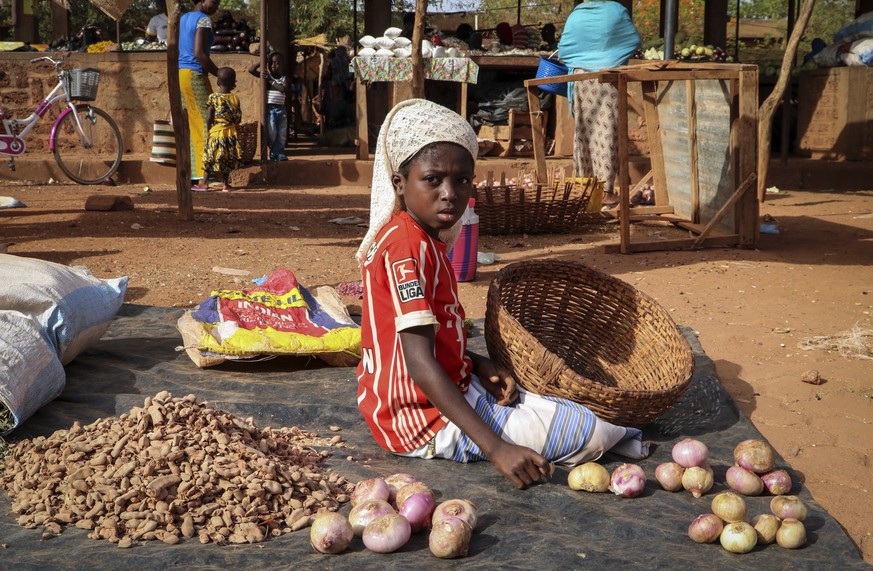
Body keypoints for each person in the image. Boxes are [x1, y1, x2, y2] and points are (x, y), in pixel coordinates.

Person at [355, 99, 649, 488]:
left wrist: (475, 363)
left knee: (564, 407)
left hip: (446, 385)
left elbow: (428, 340)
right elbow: (417, 361)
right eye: (432, 180)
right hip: (418, 419)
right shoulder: (406, 249)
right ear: (399, 183)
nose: (449, 193)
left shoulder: (420, 238)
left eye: (461, 180)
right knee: (589, 432)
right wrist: (497, 448)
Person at [557, 1, 640, 207]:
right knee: (606, 133)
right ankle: (606, 191)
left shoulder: (577, 14)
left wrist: (583, 59)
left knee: (583, 133)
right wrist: (611, 58)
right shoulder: (616, 11)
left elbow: (564, 50)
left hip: (579, 80)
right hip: (607, 79)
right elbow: (633, 40)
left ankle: (584, 188)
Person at [179, 0, 221, 186]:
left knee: (192, 124)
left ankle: (193, 172)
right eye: (215, 1)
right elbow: (199, 53)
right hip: (195, 74)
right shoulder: (203, 20)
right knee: (208, 121)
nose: (217, 6)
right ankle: (204, 173)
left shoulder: (182, 18)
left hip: (182, 75)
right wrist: (219, 74)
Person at [195, 67, 242, 192]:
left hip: (216, 132)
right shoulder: (235, 98)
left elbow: (209, 117)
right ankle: (226, 185)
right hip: (230, 133)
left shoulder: (213, 98)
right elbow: (238, 119)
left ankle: (204, 183)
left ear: (217, 82)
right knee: (227, 158)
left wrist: (209, 128)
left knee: (210, 156)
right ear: (233, 84)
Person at [248, 52, 288, 161]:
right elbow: (251, 70)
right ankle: (274, 152)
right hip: (270, 110)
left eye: (277, 63)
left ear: (282, 65)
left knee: (282, 133)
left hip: (281, 109)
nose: (273, 66)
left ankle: (278, 153)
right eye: (271, 63)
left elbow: (283, 89)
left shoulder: (284, 78)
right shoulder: (265, 76)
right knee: (272, 132)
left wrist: (270, 80)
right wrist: (262, 61)